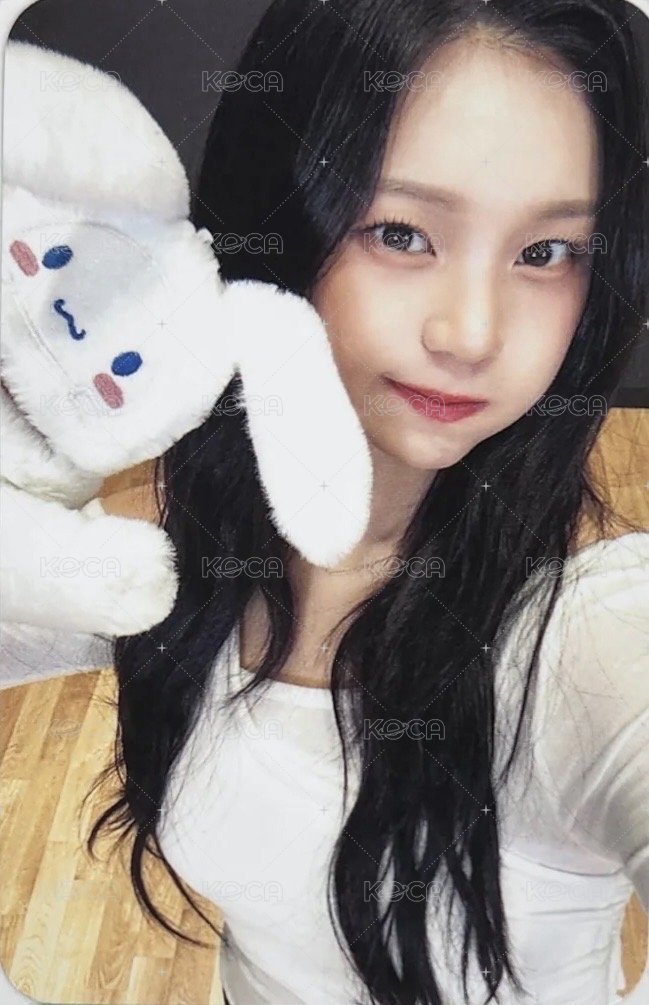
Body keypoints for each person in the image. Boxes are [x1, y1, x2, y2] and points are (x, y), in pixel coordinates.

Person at [87, 1, 649, 1002]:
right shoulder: (172, 562)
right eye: (400, 232)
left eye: (545, 252)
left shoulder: (590, 641)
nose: (472, 333)